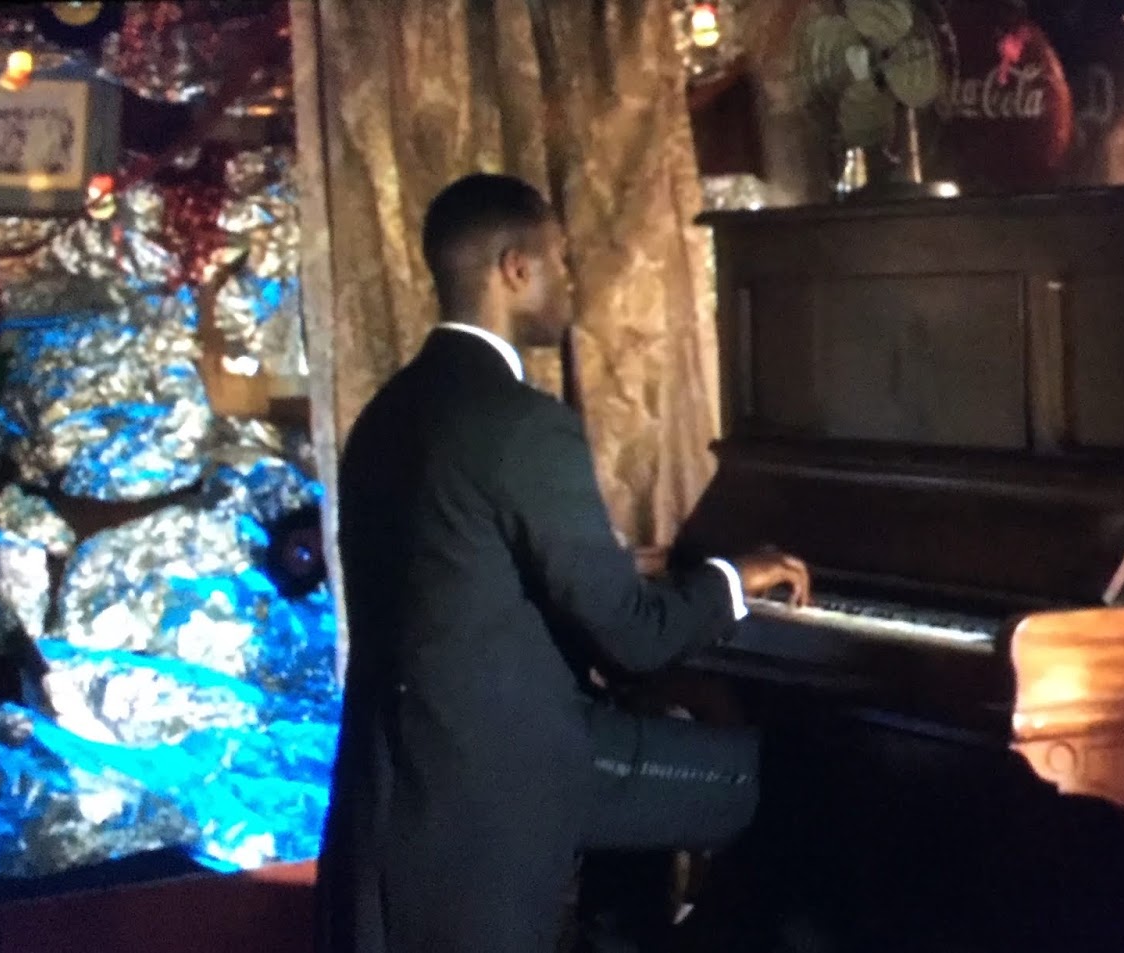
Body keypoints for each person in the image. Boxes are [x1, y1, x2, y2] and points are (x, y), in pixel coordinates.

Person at [315, 173, 811, 953]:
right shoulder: (522, 422)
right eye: (561, 260)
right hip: (511, 771)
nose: (572, 280)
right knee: (786, 784)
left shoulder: (388, 412)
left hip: (400, 775)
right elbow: (636, 638)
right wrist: (731, 579)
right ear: (515, 269)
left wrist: (610, 572)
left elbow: (460, 578)